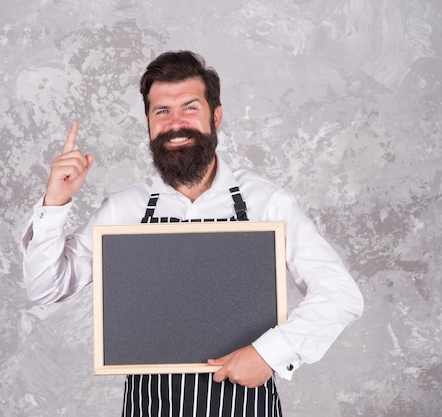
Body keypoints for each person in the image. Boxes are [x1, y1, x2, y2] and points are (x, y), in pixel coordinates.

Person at [21, 50, 364, 417]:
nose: (175, 123)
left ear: (215, 116)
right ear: (149, 122)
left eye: (189, 108)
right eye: (161, 112)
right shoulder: (125, 209)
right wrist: (54, 202)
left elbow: (341, 294)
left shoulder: (267, 203)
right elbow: (45, 287)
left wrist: (270, 353)